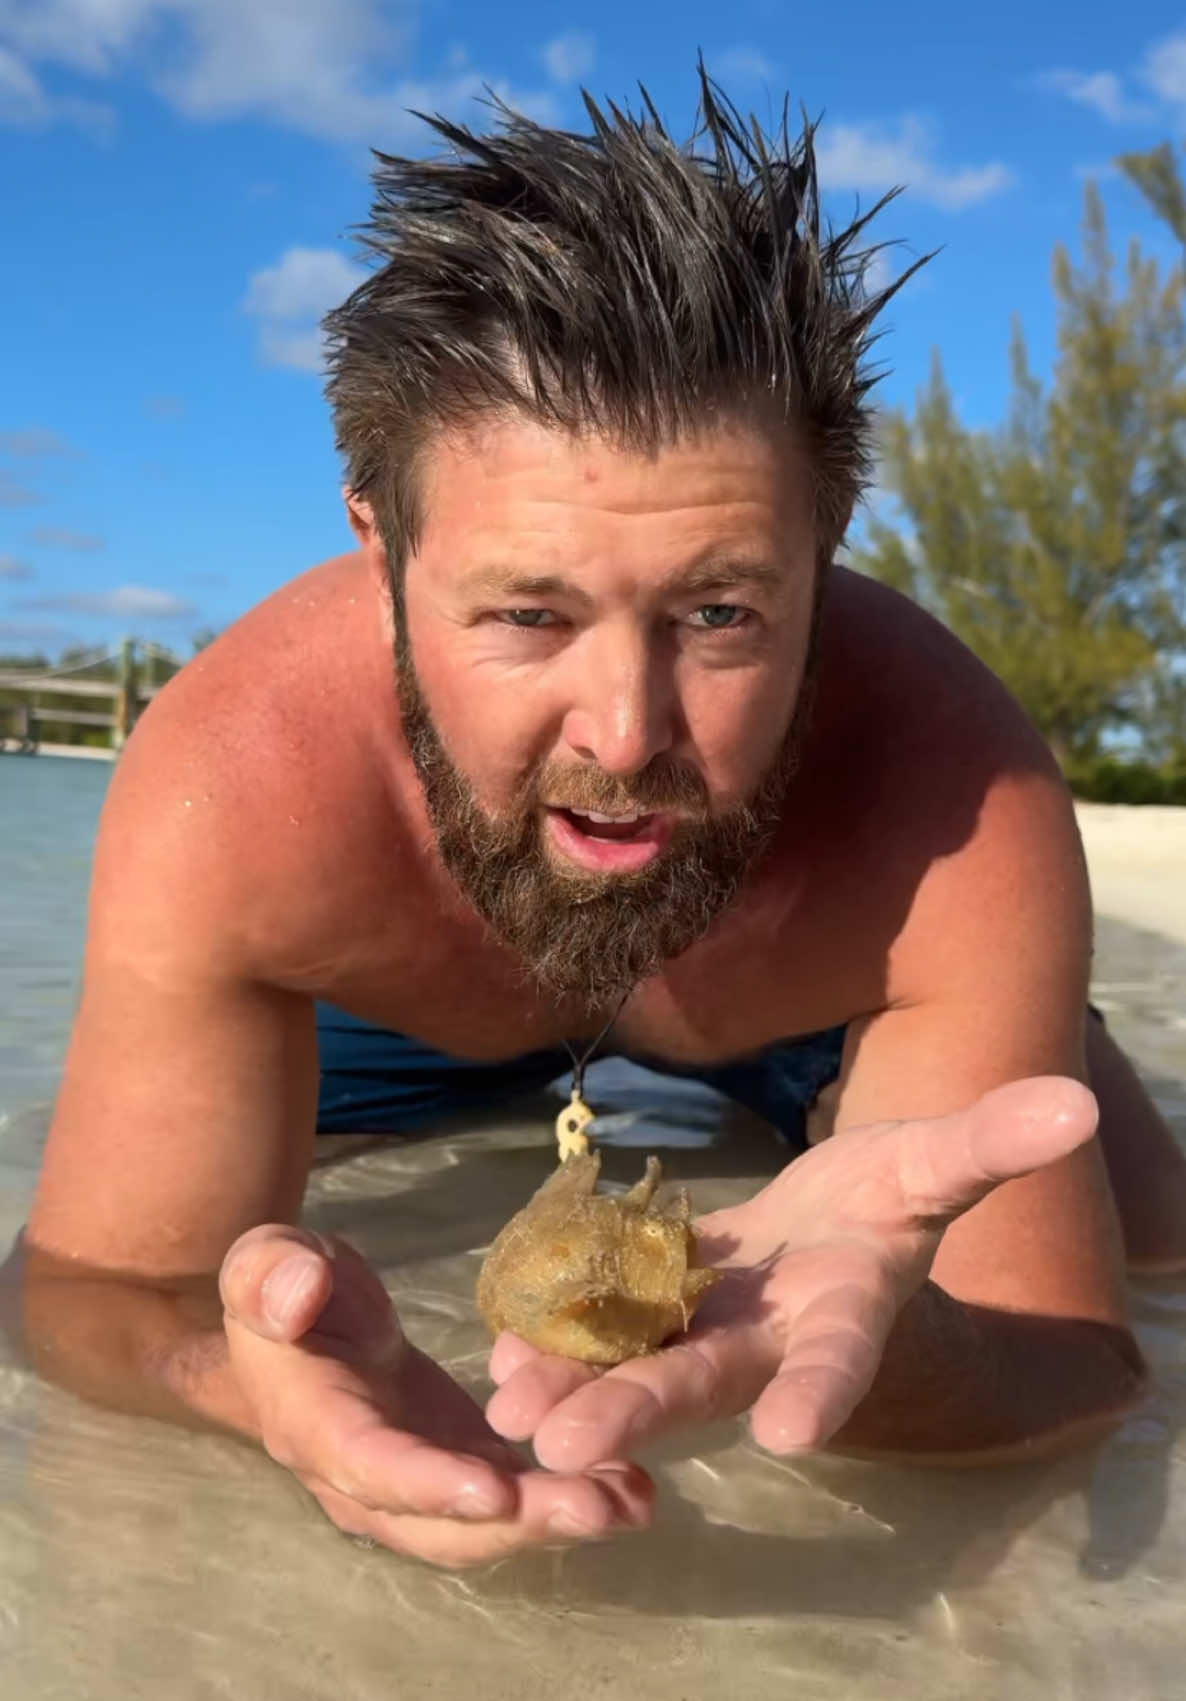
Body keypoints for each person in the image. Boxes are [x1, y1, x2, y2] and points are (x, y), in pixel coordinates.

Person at [21, 77, 1186, 1571]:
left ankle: (999, 1045)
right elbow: (87, 1288)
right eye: (526, 611)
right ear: (381, 549)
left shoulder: (957, 805)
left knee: (1154, 1237)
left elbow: (1079, 1380)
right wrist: (246, 1387)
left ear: (821, 548)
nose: (625, 735)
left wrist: (890, 1337)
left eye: (719, 611)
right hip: (408, 995)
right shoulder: (235, 785)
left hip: (811, 993)